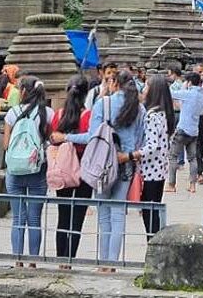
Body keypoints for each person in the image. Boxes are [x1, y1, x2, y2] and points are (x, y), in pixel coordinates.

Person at [52, 70, 145, 269]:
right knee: (118, 214)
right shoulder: (140, 109)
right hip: (126, 163)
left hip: (103, 163)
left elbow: (92, 137)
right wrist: (129, 154)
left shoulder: (103, 104)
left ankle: (103, 262)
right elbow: (140, 140)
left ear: (114, 83)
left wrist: (66, 137)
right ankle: (112, 263)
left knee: (104, 215)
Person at [4, 76, 54, 266]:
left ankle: (17, 260)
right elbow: (51, 140)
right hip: (37, 171)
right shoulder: (47, 113)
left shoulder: (12, 113)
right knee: (34, 218)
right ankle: (33, 261)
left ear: (23, 91)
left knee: (18, 218)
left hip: (15, 171)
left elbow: (6, 143)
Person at [50, 74, 92, 268]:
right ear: (86, 94)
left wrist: (63, 138)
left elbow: (51, 138)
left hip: (62, 168)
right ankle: (69, 258)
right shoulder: (88, 116)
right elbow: (92, 140)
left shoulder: (58, 115)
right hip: (83, 168)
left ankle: (60, 259)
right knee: (77, 218)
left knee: (63, 214)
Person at [132, 74, 175, 236]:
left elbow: (152, 145)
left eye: (147, 86)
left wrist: (133, 154)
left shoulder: (151, 115)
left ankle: (154, 247)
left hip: (150, 170)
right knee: (153, 211)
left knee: (149, 213)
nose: (144, 89)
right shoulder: (163, 113)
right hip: (160, 169)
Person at [165, 72, 203, 194]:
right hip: (194, 131)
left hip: (183, 129)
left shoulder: (188, 94)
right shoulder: (201, 96)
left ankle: (171, 184)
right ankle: (192, 185)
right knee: (192, 159)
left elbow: (171, 94)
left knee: (172, 156)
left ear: (189, 82)